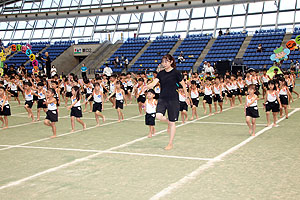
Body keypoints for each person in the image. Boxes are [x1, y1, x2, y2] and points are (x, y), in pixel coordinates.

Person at [145, 54, 189, 150]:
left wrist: (187, 97)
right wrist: (149, 85)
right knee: (158, 116)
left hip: (173, 99)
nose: (164, 64)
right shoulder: (161, 73)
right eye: (163, 62)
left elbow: (183, 85)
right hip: (162, 98)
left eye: (166, 61)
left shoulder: (176, 73)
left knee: (173, 122)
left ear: (171, 62)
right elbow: (154, 82)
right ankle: (168, 122)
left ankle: (170, 143)